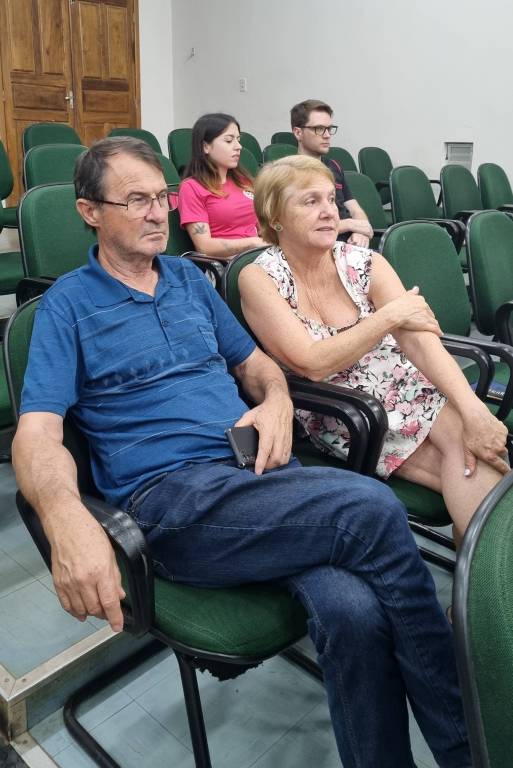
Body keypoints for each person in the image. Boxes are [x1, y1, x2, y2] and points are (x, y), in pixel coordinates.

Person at [12, 137, 472, 768]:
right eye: (136, 200)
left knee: (353, 610)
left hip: (253, 472)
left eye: (163, 197)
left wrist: (277, 399)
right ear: (90, 211)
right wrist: (64, 516)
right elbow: (38, 433)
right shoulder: (66, 305)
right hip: (172, 501)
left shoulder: (188, 280)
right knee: (370, 508)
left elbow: (256, 365)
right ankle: (465, 744)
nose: (157, 213)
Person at [239, 154, 509, 543]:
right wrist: (389, 316)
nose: (329, 211)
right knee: (478, 466)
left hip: (406, 383)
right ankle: (486, 576)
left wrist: (474, 410)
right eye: (310, 201)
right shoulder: (259, 277)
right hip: (347, 409)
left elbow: (419, 340)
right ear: (275, 215)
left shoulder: (364, 262)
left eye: (330, 198)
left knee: (476, 453)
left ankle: (482, 578)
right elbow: (312, 363)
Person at [178, 113, 266, 260]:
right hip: (227, 264)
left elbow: (262, 228)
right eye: (229, 140)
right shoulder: (191, 187)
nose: (238, 146)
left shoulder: (244, 182)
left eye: (238, 140)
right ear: (205, 146)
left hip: (258, 256)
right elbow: (204, 246)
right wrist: (252, 243)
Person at [291, 99, 373, 247]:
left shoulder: (334, 166)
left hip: (351, 244)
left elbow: (355, 209)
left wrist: (361, 232)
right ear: (298, 133)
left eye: (329, 128)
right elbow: (298, 228)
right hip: (317, 248)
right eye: (319, 129)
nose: (327, 135)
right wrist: (349, 224)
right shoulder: (288, 173)